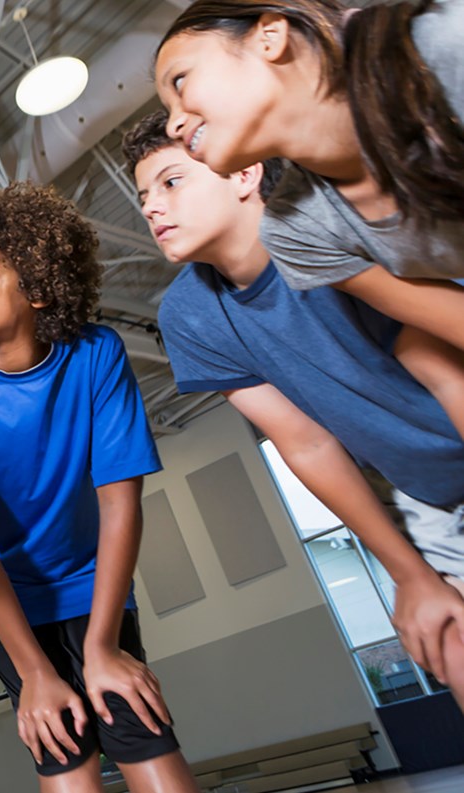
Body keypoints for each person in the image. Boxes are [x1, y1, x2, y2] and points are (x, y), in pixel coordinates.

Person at [124, 110, 464, 708]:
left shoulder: (327, 220)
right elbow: (304, 442)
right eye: (143, 194)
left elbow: (439, 364)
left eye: (171, 182)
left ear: (243, 174)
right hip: (426, 490)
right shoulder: (190, 315)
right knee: (451, 643)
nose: (151, 206)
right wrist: (410, 575)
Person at [0, 182, 197, 793]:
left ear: (38, 289)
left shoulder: (96, 354)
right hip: (6, 606)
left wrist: (102, 647)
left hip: (95, 591)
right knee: (66, 756)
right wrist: (33, 671)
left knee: (143, 731)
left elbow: (120, 505)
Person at [154, 0, 464, 361]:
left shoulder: (445, 42)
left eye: (179, 81)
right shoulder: (297, 232)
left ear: (269, 36)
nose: (172, 125)